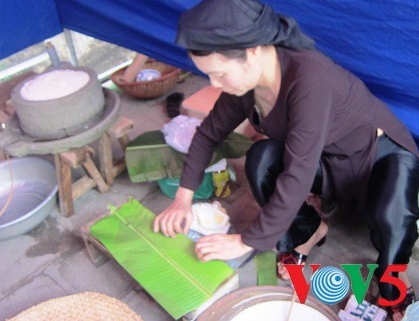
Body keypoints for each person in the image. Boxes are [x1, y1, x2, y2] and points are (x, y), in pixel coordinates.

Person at [153, 0, 419, 319]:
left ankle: (391, 278)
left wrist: (247, 240)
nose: (214, 84)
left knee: (394, 217)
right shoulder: (246, 86)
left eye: (219, 74)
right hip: (326, 158)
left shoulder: (310, 79)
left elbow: (299, 174)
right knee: (261, 157)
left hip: (378, 155)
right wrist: (182, 199)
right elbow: (208, 134)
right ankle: (308, 231)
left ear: (252, 51)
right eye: (209, 75)